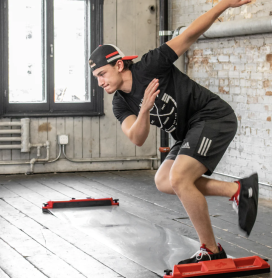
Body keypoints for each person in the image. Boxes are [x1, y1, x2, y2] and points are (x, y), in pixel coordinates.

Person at [89, 0, 258, 264]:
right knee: (164, 181)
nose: (100, 83)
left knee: (180, 178)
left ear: (119, 65)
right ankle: (237, 190)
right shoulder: (120, 102)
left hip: (211, 116)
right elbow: (137, 137)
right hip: (188, 131)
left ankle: (211, 250)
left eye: (102, 74)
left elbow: (189, 34)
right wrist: (144, 109)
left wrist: (224, 4)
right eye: (96, 78)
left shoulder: (150, 65)